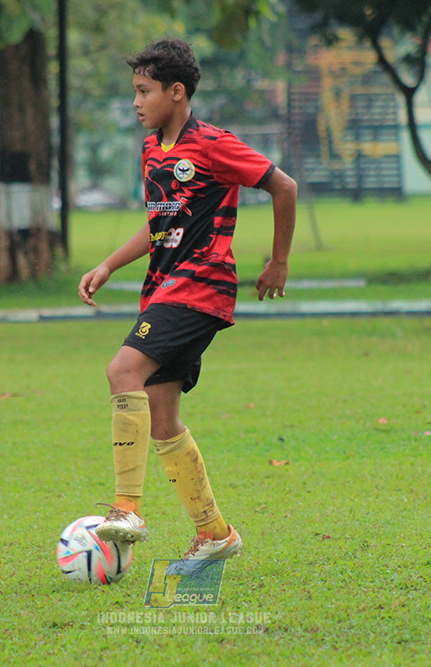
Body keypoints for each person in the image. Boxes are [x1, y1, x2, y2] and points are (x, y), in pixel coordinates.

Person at [77, 38, 297, 567]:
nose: (136, 101)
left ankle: (126, 508)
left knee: (121, 370)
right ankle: (215, 531)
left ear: (177, 92)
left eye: (144, 91)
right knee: (162, 415)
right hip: (165, 286)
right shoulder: (154, 148)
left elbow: (284, 187)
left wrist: (279, 261)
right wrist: (108, 264)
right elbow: (158, 224)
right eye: (134, 91)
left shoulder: (215, 144)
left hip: (201, 286)